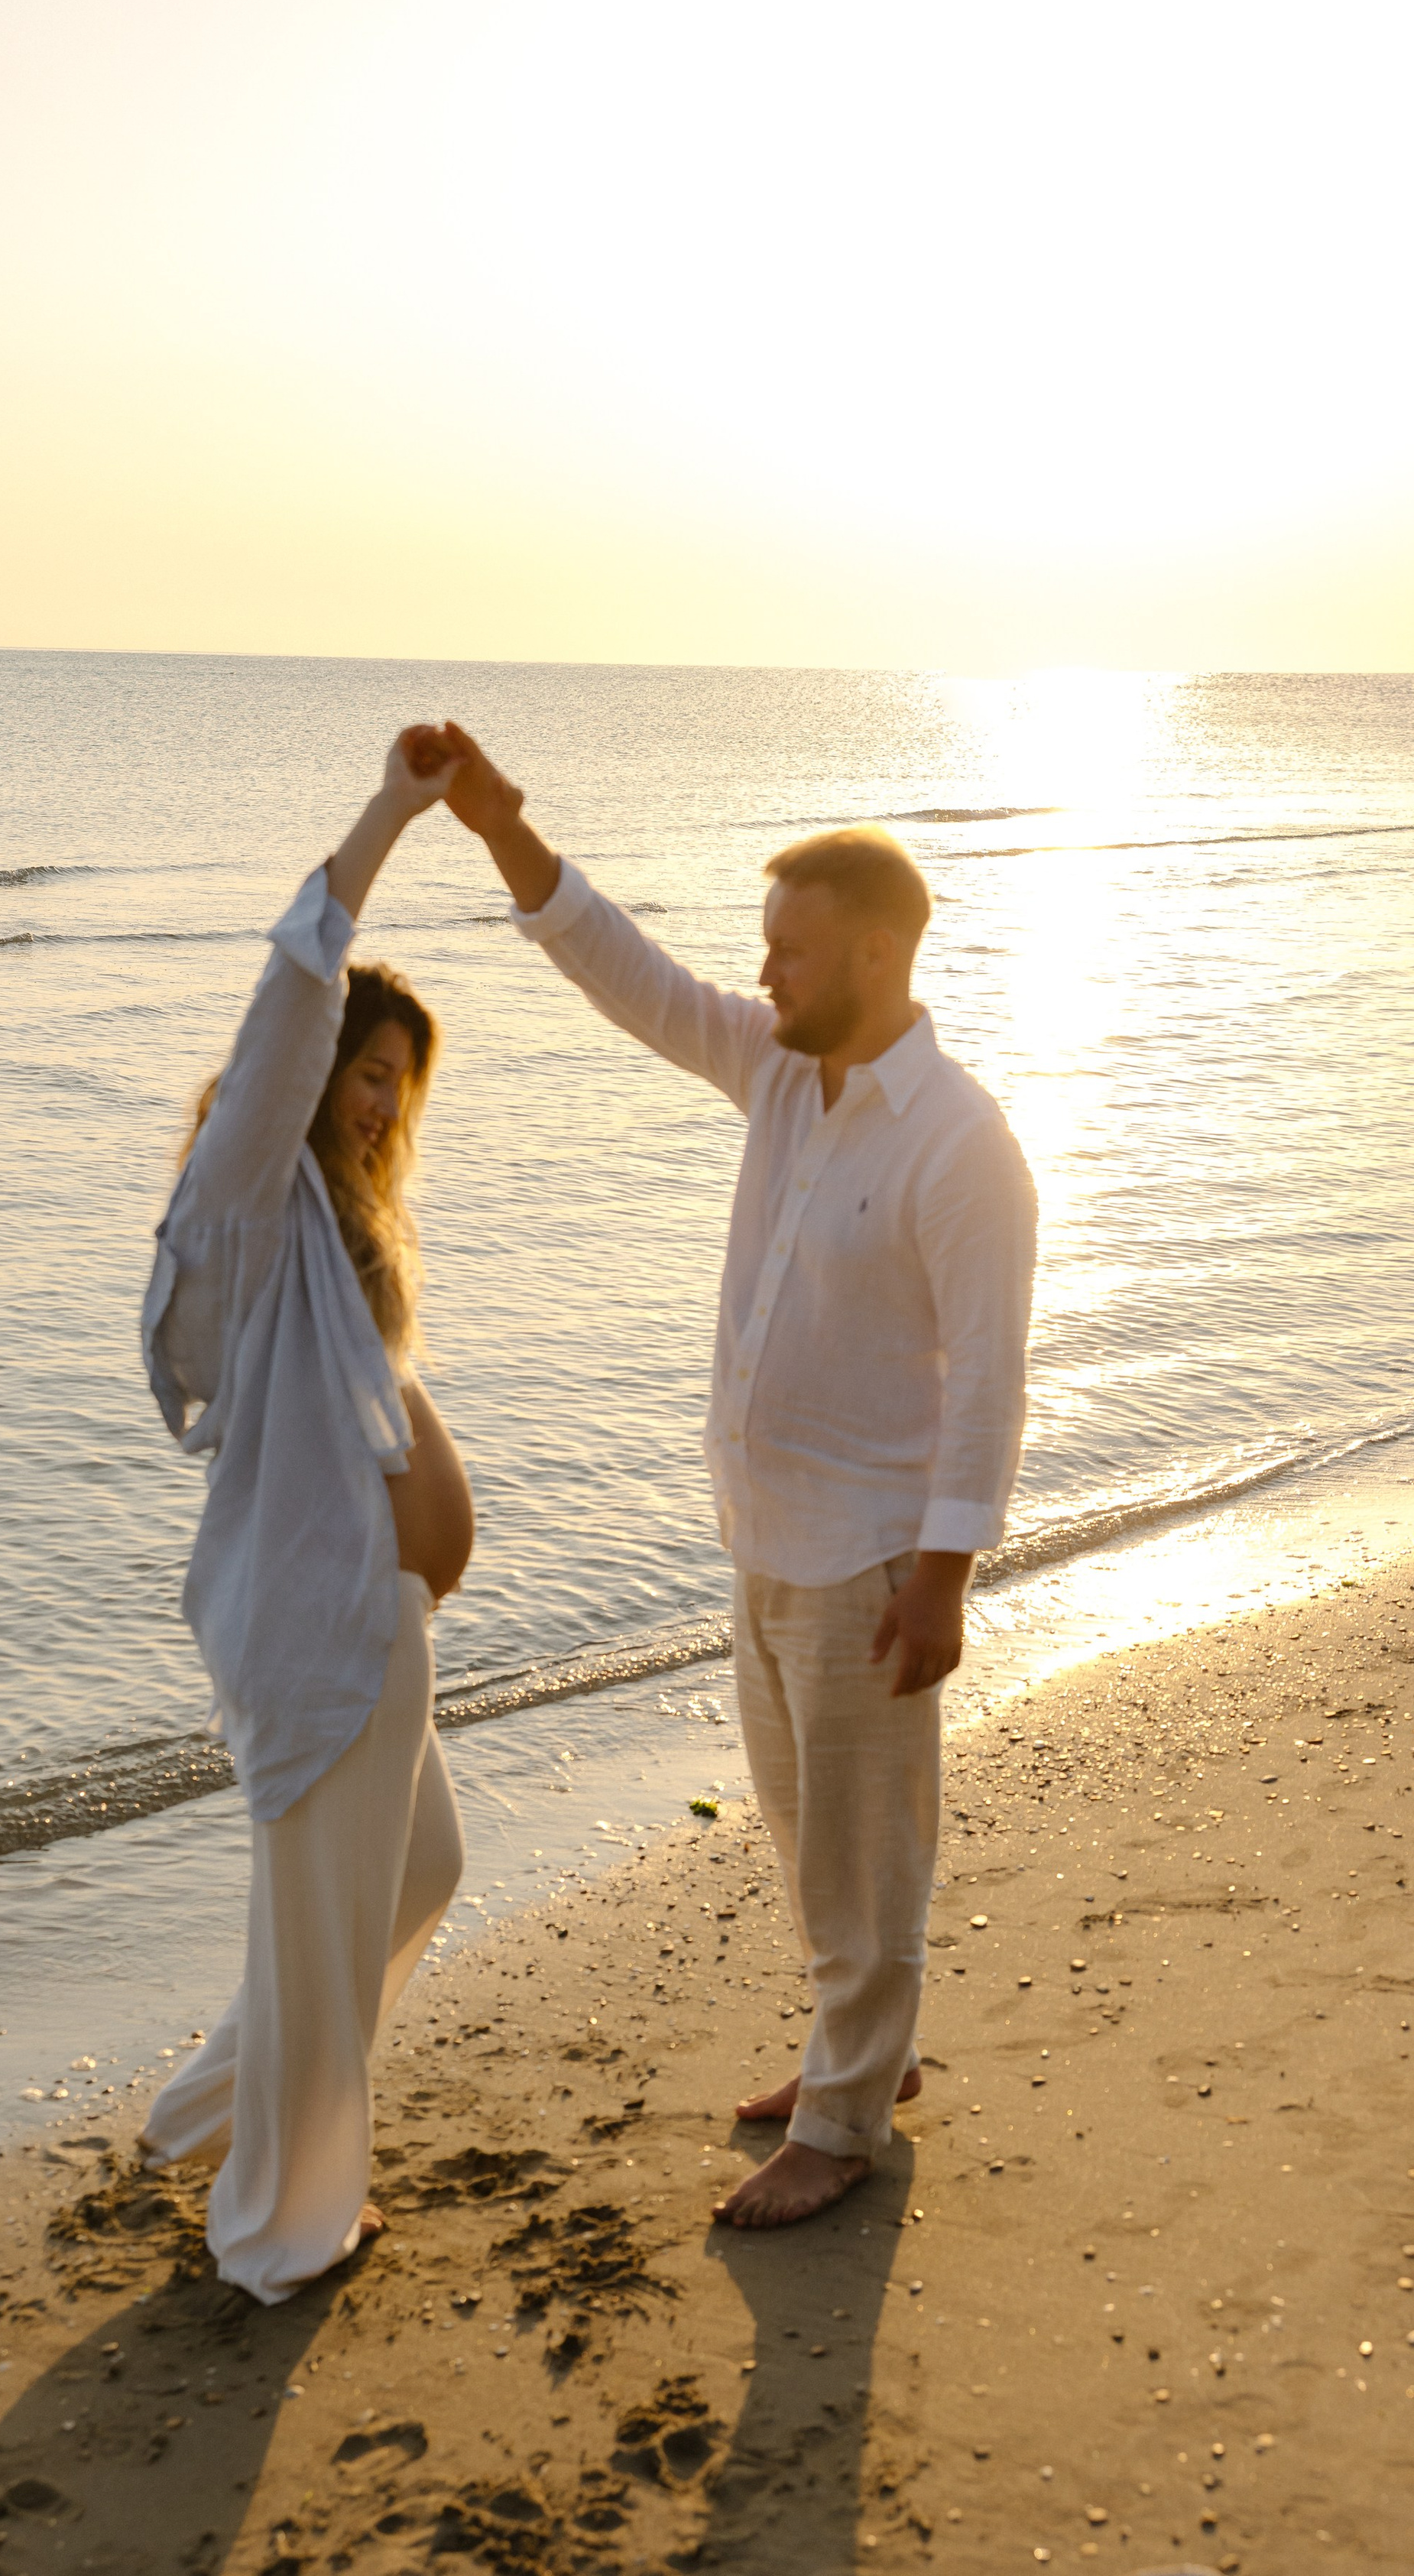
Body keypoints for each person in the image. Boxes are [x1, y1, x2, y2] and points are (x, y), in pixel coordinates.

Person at [437, 721, 1036, 2229]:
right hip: (760, 1536)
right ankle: (861, 2052)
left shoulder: (959, 1147)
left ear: (879, 956)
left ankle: (842, 2122)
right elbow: (621, 969)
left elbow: (988, 1375)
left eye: (788, 951)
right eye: (760, 948)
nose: (758, 974)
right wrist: (503, 826)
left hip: (868, 1560)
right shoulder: (776, 1078)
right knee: (798, 1828)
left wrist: (945, 1575)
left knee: (863, 1848)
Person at [135, 728, 472, 2302]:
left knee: (411, 1877)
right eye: (359, 1061)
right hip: (311, 1627)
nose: (375, 1095)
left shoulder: (347, 1243)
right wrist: (390, 816)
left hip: (373, 1618)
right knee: (324, 1918)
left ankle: (216, 2107)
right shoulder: (255, 1205)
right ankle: (279, 2226)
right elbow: (286, 992)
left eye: (396, 1079)